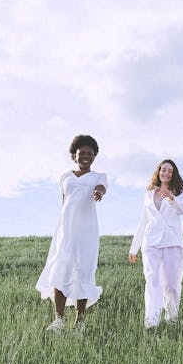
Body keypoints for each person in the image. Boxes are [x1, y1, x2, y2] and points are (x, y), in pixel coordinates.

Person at [36, 134, 107, 332]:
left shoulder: (99, 177)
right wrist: (60, 228)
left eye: (90, 153)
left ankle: (79, 322)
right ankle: (58, 320)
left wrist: (98, 193)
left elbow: (102, 188)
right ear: (74, 156)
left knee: (83, 272)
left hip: (87, 232)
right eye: (81, 153)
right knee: (61, 270)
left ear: (94, 157)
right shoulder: (65, 177)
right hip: (65, 231)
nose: (85, 156)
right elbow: (64, 203)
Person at [129, 158, 183, 329]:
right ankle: (151, 322)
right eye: (164, 169)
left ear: (174, 174)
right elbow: (143, 221)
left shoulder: (180, 193)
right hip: (151, 243)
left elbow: (182, 210)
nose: (166, 173)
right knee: (152, 282)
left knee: (171, 284)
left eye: (170, 170)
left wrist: (171, 198)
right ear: (159, 171)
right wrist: (134, 248)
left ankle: (172, 319)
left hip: (172, 242)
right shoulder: (148, 194)